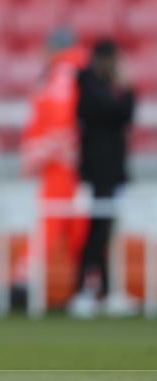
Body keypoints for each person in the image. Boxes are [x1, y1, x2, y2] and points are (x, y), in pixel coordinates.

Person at [68, 39, 137, 317]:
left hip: (109, 170)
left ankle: (104, 291)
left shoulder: (97, 86)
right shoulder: (89, 86)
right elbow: (119, 113)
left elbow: (123, 115)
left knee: (104, 231)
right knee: (97, 233)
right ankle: (85, 291)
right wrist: (128, 89)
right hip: (99, 171)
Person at [20, 29, 89, 306]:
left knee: (54, 224)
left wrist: (36, 154)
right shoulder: (74, 72)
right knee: (77, 228)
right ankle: (87, 287)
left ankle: (24, 285)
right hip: (70, 164)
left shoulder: (62, 74)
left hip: (62, 166)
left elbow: (61, 125)